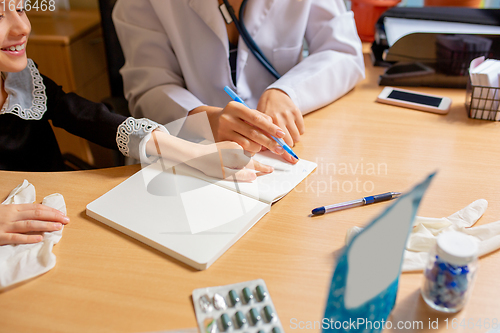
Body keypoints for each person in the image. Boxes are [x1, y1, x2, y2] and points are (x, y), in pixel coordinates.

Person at [0, 1, 278, 245]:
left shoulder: (24, 83)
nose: (22, 27)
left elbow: (92, 118)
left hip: (56, 216)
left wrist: (194, 153)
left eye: (21, 8)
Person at [113, 0, 365, 163]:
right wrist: (201, 120)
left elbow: (343, 52)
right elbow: (148, 87)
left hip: (276, 152)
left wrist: (287, 92)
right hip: (184, 154)